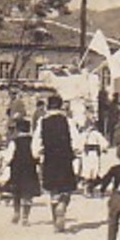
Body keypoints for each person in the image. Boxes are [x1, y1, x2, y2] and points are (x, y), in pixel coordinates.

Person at [34, 96, 80, 230]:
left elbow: (37, 140)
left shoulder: (42, 121)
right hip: (65, 157)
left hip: (49, 158)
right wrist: (77, 151)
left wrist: (37, 154)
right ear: (60, 107)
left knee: (53, 189)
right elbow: (76, 140)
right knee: (67, 187)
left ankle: (56, 221)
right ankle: (63, 205)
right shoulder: (68, 121)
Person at [3, 117, 42, 225]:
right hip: (30, 170)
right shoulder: (33, 141)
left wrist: (4, 165)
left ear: (17, 129)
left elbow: (9, 156)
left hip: (17, 170)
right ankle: (25, 216)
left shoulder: (14, 142)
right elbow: (37, 154)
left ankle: (16, 212)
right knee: (28, 194)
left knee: (17, 193)